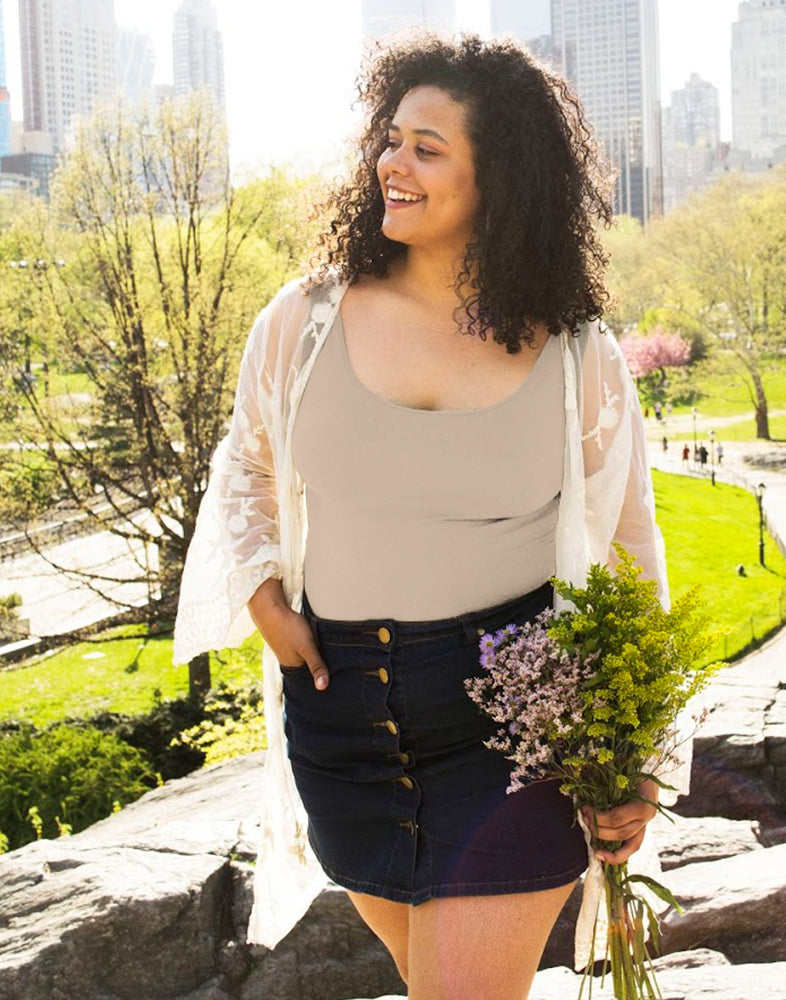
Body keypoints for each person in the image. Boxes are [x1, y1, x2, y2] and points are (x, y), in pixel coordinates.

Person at [170, 34, 691, 998]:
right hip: (343, 719)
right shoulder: (303, 318)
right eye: (392, 139)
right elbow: (244, 463)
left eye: (428, 148)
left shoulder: (577, 356)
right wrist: (262, 599)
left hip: (511, 722)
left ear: (502, 181)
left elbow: (628, 548)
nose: (392, 164)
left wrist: (637, 749)